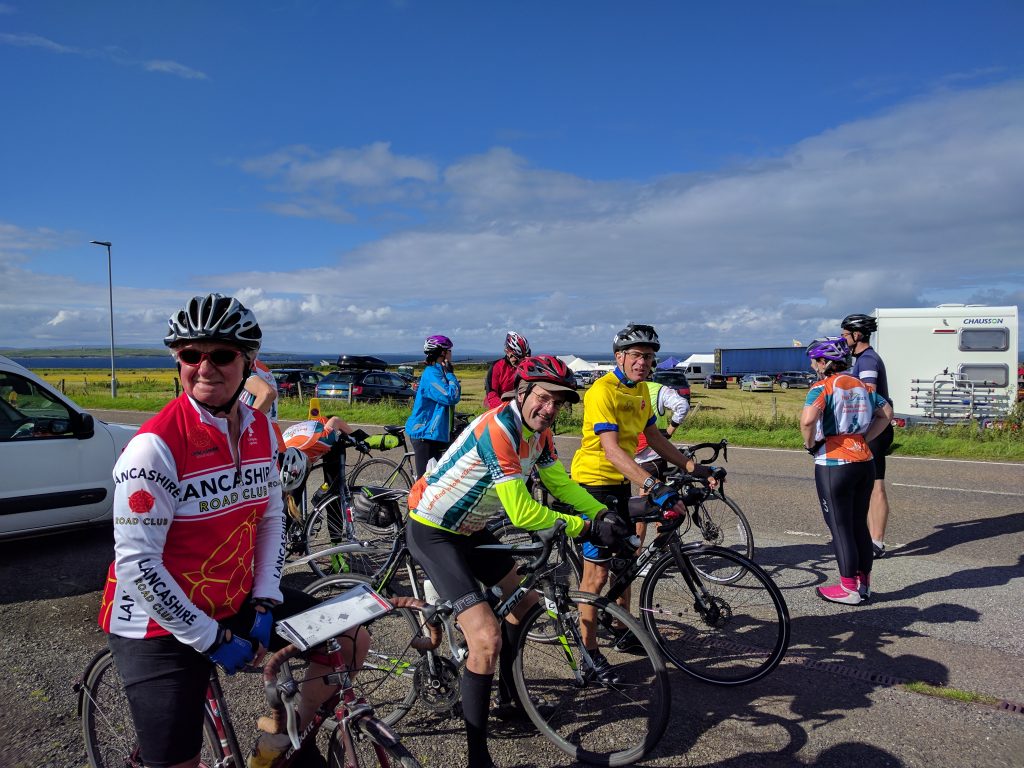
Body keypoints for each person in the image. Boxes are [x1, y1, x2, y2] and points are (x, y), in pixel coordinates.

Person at [97, 293, 365, 768]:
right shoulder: (153, 449)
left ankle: (283, 745)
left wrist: (264, 598)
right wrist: (212, 640)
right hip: (156, 622)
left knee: (348, 641)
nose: (204, 367)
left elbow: (270, 517)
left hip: (235, 599)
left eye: (220, 355)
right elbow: (138, 565)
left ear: (248, 362)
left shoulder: (261, 429)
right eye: (190, 355)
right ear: (177, 361)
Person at [405, 354, 629, 768]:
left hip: (470, 530)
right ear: (522, 392)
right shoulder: (498, 429)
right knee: (486, 637)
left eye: (559, 403)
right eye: (544, 399)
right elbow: (524, 513)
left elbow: (558, 482)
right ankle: (477, 757)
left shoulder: (539, 434)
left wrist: (599, 513)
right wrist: (583, 527)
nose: (550, 409)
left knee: (523, 609)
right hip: (434, 529)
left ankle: (510, 697)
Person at [570, 323, 714, 654]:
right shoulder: (601, 391)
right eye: (636, 355)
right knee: (597, 575)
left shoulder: (641, 391)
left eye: (649, 357)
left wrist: (693, 467)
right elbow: (611, 449)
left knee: (626, 561)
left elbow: (655, 438)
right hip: (593, 485)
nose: (643, 363)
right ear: (619, 357)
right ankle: (589, 653)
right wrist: (652, 483)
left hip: (620, 482)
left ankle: (622, 628)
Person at [800, 336, 893, 605]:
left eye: (814, 361)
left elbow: (808, 420)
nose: (813, 366)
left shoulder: (822, 387)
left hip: (833, 463)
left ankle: (848, 588)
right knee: (857, 525)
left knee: (839, 528)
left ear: (823, 362)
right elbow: (886, 412)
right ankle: (864, 584)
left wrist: (811, 444)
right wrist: (865, 437)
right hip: (864, 460)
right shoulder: (861, 386)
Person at [841, 313, 894, 558]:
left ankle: (877, 542)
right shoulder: (861, 359)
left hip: (874, 429)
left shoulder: (868, 360)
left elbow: (868, 395)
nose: (843, 339)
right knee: (867, 485)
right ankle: (872, 539)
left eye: (845, 334)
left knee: (875, 485)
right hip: (870, 428)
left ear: (857, 335)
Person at [405, 334, 461, 477]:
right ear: (442, 352)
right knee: (425, 485)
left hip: (436, 435)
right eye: (449, 351)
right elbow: (450, 396)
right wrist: (451, 375)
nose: (451, 353)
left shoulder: (439, 372)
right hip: (425, 433)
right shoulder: (432, 374)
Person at [633, 360, 691, 466]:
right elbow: (683, 406)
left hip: (626, 454)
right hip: (653, 454)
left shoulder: (622, 388)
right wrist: (669, 431)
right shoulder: (659, 389)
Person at [239, 357, 284, 450]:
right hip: (272, 434)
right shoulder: (261, 366)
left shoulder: (244, 363)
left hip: (255, 437)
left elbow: (267, 393)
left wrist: (243, 430)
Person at [483, 330, 531, 408]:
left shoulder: (527, 366)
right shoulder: (497, 367)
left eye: (523, 358)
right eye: (517, 357)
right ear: (507, 352)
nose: (520, 362)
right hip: (498, 406)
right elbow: (491, 395)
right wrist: (505, 409)